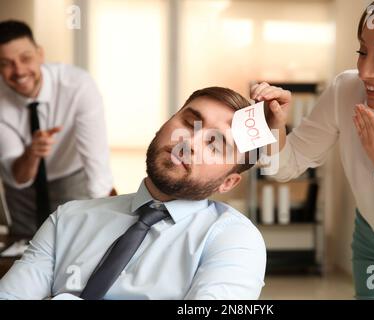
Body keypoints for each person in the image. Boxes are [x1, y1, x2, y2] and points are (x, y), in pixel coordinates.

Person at [252, 0, 374, 299]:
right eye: (362, 52)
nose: (365, 71)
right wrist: (274, 126)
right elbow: (282, 167)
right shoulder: (346, 91)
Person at [0, 86, 267, 300]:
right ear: (164, 125)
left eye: (215, 145)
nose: (190, 143)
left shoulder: (234, 239)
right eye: (189, 123)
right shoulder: (67, 219)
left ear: (228, 183)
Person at [0, 20, 115, 237]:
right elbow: (18, 177)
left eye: (25, 58)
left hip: (71, 177)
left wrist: (109, 222)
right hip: (22, 190)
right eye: (6, 63)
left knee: (77, 240)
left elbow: (96, 163)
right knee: (24, 248)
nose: (19, 70)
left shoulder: (78, 85)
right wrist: (32, 153)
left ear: (40, 54)